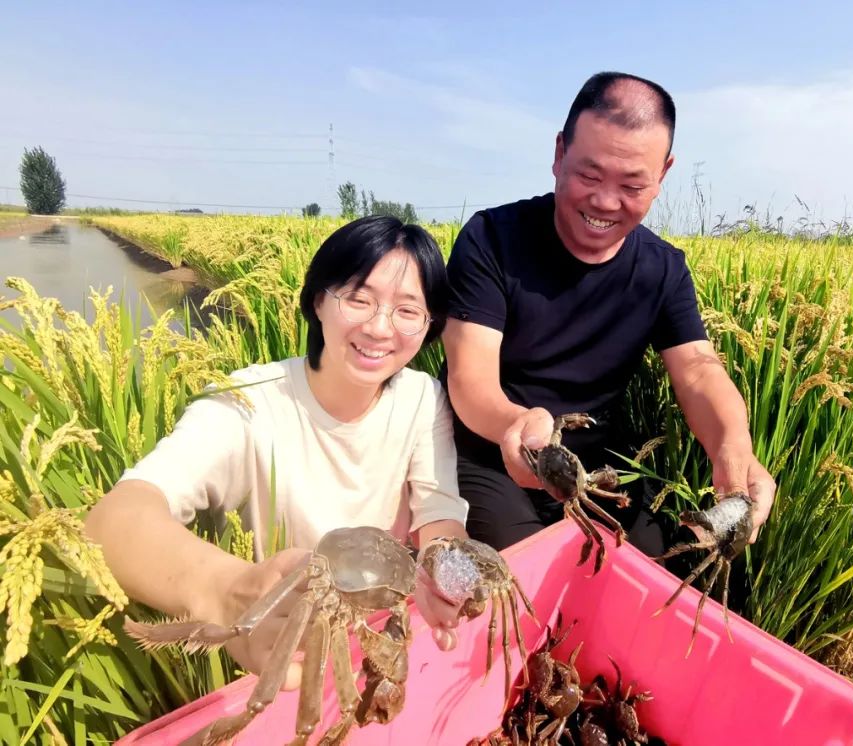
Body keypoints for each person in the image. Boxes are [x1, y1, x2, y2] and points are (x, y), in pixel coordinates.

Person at [86, 215, 470, 692]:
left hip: (382, 641)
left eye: (408, 311)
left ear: (430, 325)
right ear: (318, 301)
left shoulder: (422, 399)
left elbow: (438, 515)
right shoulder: (246, 403)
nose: (379, 328)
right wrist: (229, 592)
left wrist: (445, 571)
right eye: (359, 298)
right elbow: (113, 520)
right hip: (281, 652)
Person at [440, 71, 776, 558]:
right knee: (522, 575)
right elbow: (470, 378)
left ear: (663, 175)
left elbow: (699, 370)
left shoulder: (663, 270)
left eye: (632, 184)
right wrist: (518, 425)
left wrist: (733, 448)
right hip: (495, 454)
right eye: (589, 175)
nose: (604, 202)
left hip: (601, 470)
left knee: (664, 570)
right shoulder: (491, 239)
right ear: (558, 154)